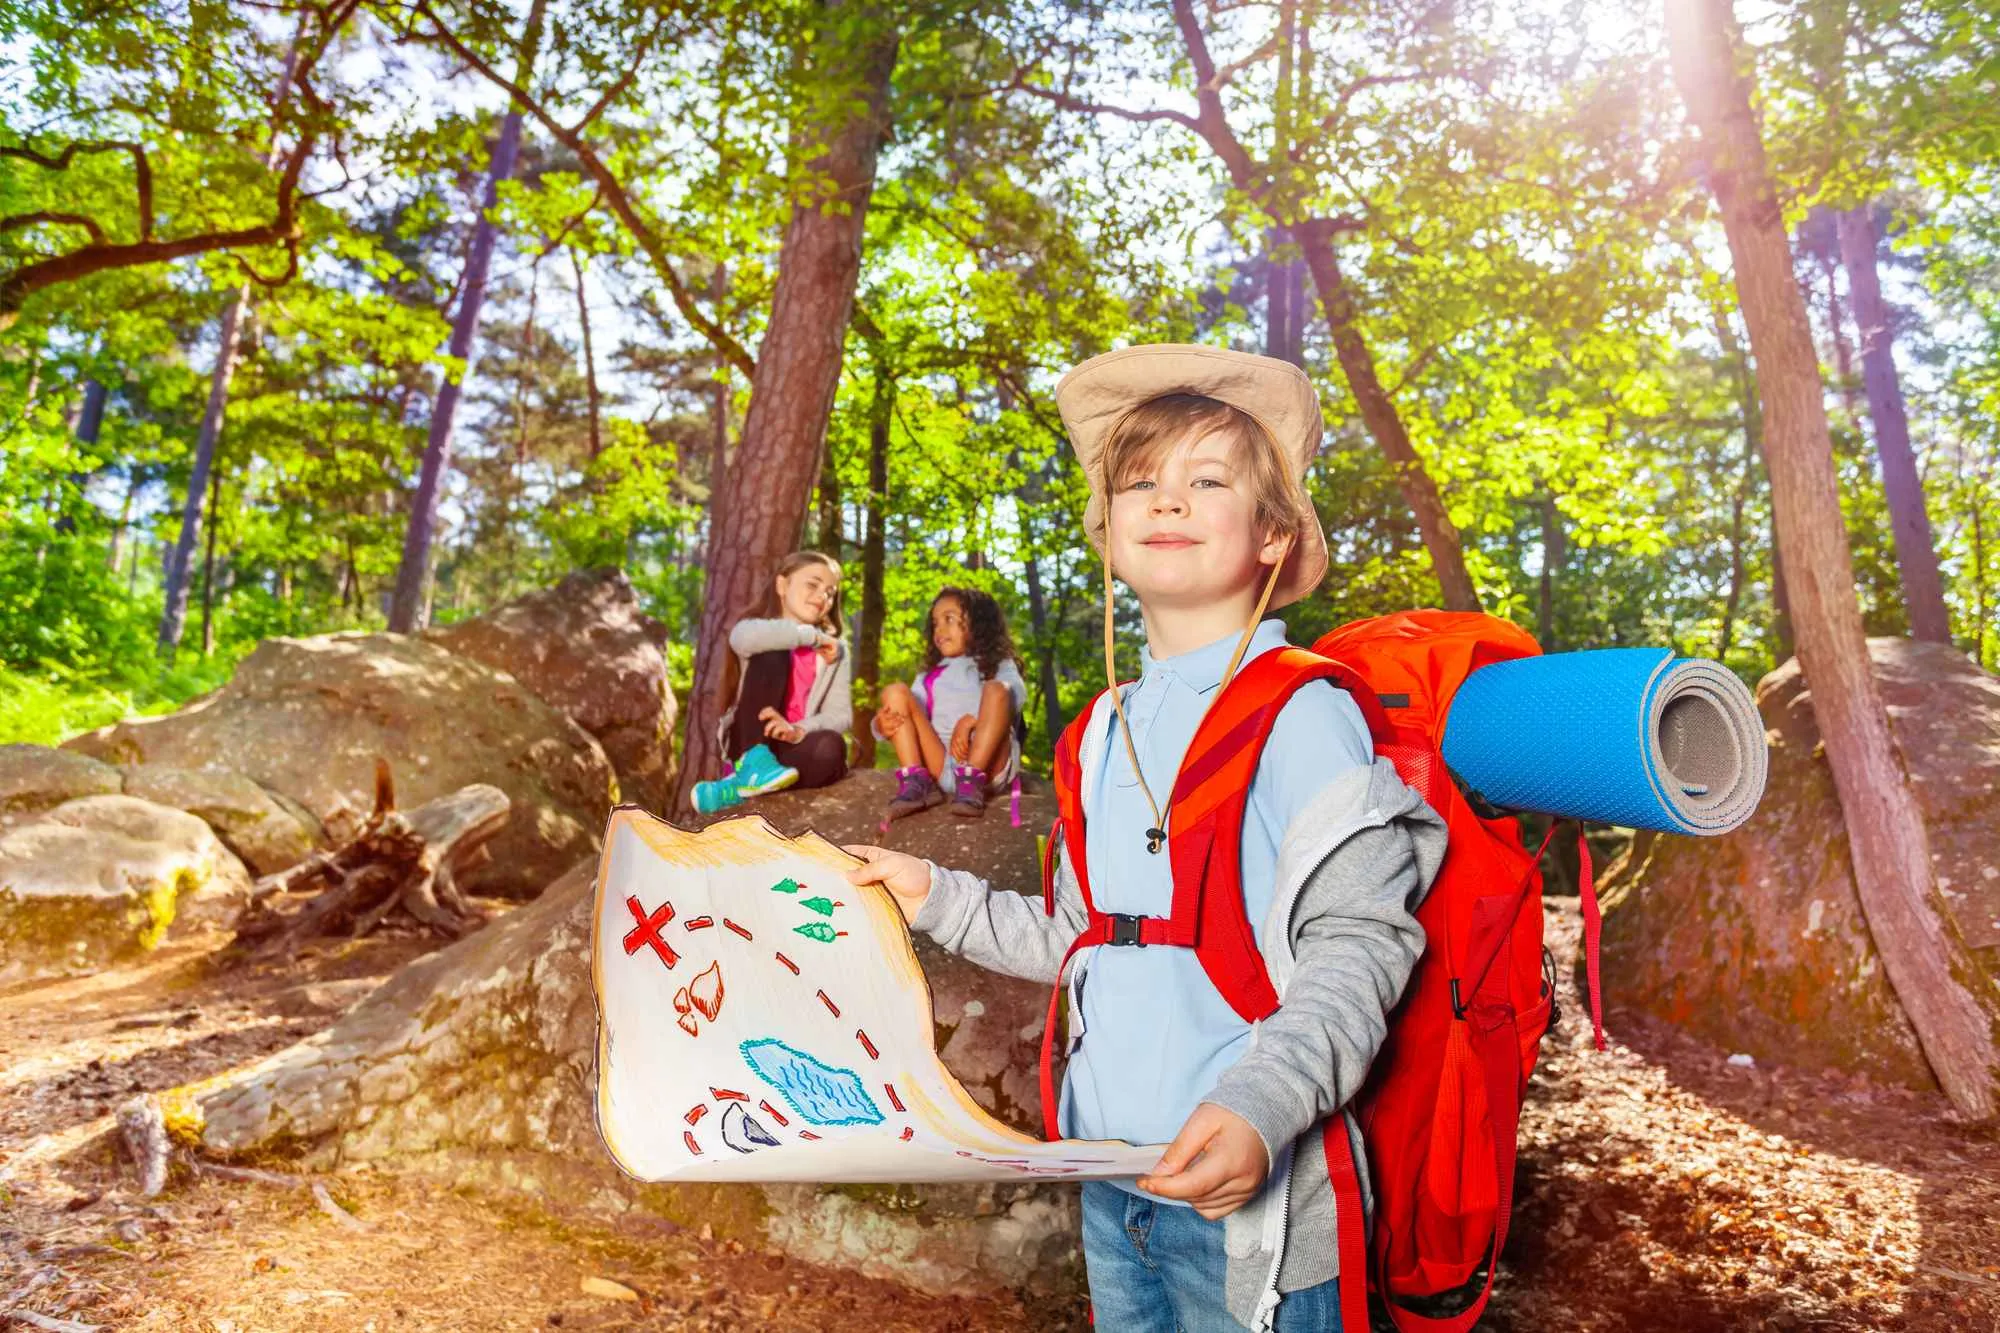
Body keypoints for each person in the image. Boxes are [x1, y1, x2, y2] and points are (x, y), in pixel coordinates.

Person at [845, 345, 1447, 1331]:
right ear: (1109, 531)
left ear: (1270, 535)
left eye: (1205, 481)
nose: (1166, 499)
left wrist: (1261, 1107)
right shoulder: (1096, 732)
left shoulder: (1300, 714)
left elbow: (1360, 943)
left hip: (1249, 1205)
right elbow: (1086, 935)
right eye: (1140, 482)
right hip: (1109, 1175)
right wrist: (932, 893)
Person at [691, 550, 853, 814]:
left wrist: (797, 729)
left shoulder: (835, 651)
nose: (823, 596)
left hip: (790, 746)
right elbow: (740, 639)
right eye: (812, 585)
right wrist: (811, 637)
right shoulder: (758, 630)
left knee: (832, 748)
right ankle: (751, 768)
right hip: (750, 742)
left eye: (830, 592)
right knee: (773, 654)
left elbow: (841, 716)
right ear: (782, 585)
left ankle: (739, 789)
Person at [872, 586, 1028, 822]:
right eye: (935, 623)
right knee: (895, 692)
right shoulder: (930, 675)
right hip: (940, 765)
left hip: (985, 767)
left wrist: (971, 721)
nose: (940, 630)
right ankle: (917, 781)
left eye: (949, 619)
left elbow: (1016, 695)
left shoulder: (998, 664)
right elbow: (911, 710)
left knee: (998, 690)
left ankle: (970, 782)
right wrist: (879, 726)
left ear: (979, 624)